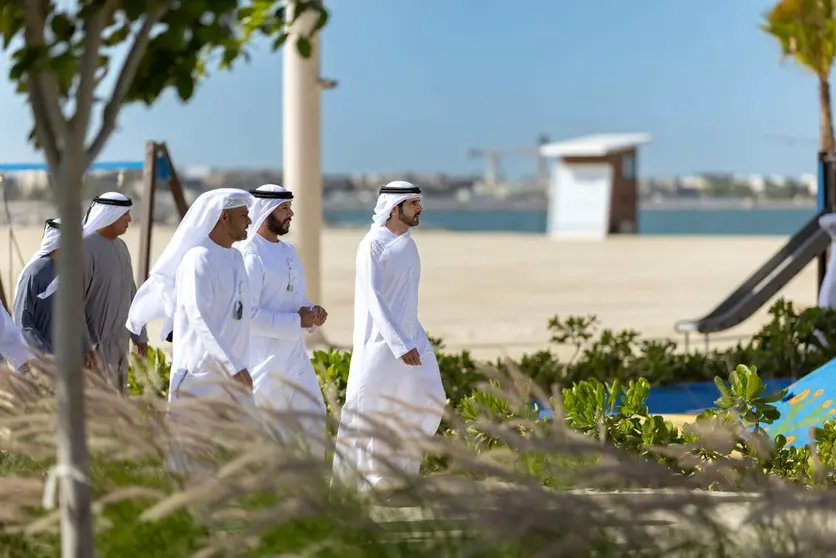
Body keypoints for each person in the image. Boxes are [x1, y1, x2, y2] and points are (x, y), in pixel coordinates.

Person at [332, 180, 446, 491]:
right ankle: (357, 486)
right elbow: (373, 297)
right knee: (368, 411)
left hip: (413, 337)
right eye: (413, 204)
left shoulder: (408, 243)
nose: (420, 208)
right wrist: (398, 344)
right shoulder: (373, 244)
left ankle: (397, 476)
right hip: (381, 344)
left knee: (427, 400)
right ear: (394, 209)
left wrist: (412, 339)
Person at [127, 188, 254, 402]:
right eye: (244, 215)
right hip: (199, 380)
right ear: (224, 217)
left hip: (235, 380)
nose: (249, 221)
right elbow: (199, 318)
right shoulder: (198, 258)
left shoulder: (237, 258)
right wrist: (232, 366)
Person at [234, 184, 329, 454]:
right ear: (266, 212)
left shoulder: (288, 251)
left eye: (290, 207)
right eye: (285, 208)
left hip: (295, 357)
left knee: (313, 419)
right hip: (264, 361)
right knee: (268, 432)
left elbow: (294, 300)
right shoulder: (250, 254)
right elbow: (247, 315)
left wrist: (312, 312)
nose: (291, 214)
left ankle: (307, 490)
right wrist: (296, 321)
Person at [13, 218, 94, 363]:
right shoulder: (34, 274)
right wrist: (45, 355)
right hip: (41, 364)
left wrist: (86, 348)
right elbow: (23, 322)